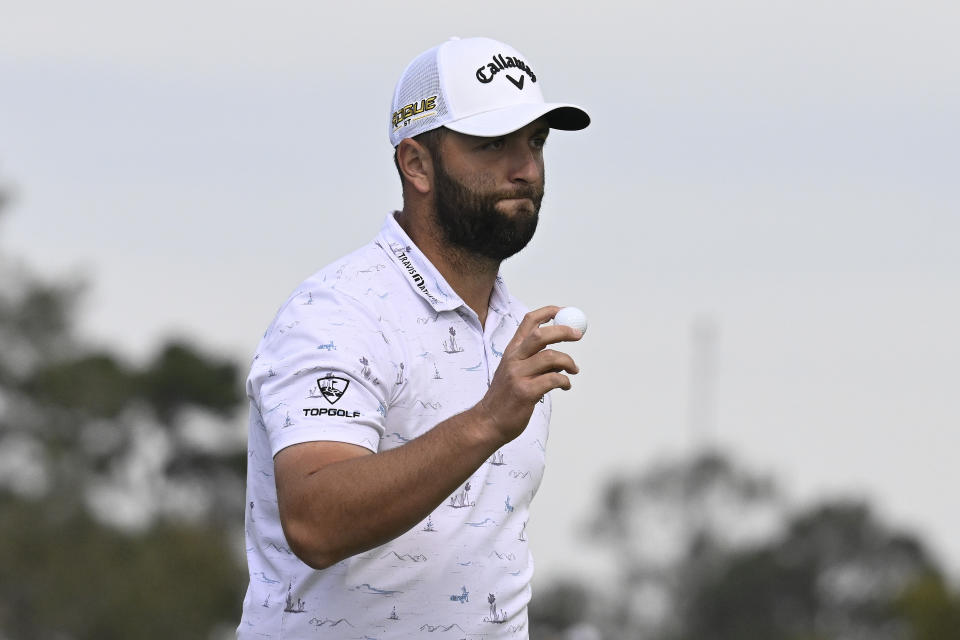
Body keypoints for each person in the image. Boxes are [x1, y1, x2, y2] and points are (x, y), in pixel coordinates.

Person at [238, 36, 591, 638]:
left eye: (535, 142)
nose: (526, 169)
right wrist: (486, 421)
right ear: (416, 164)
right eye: (492, 144)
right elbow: (316, 522)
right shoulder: (336, 313)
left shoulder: (515, 326)